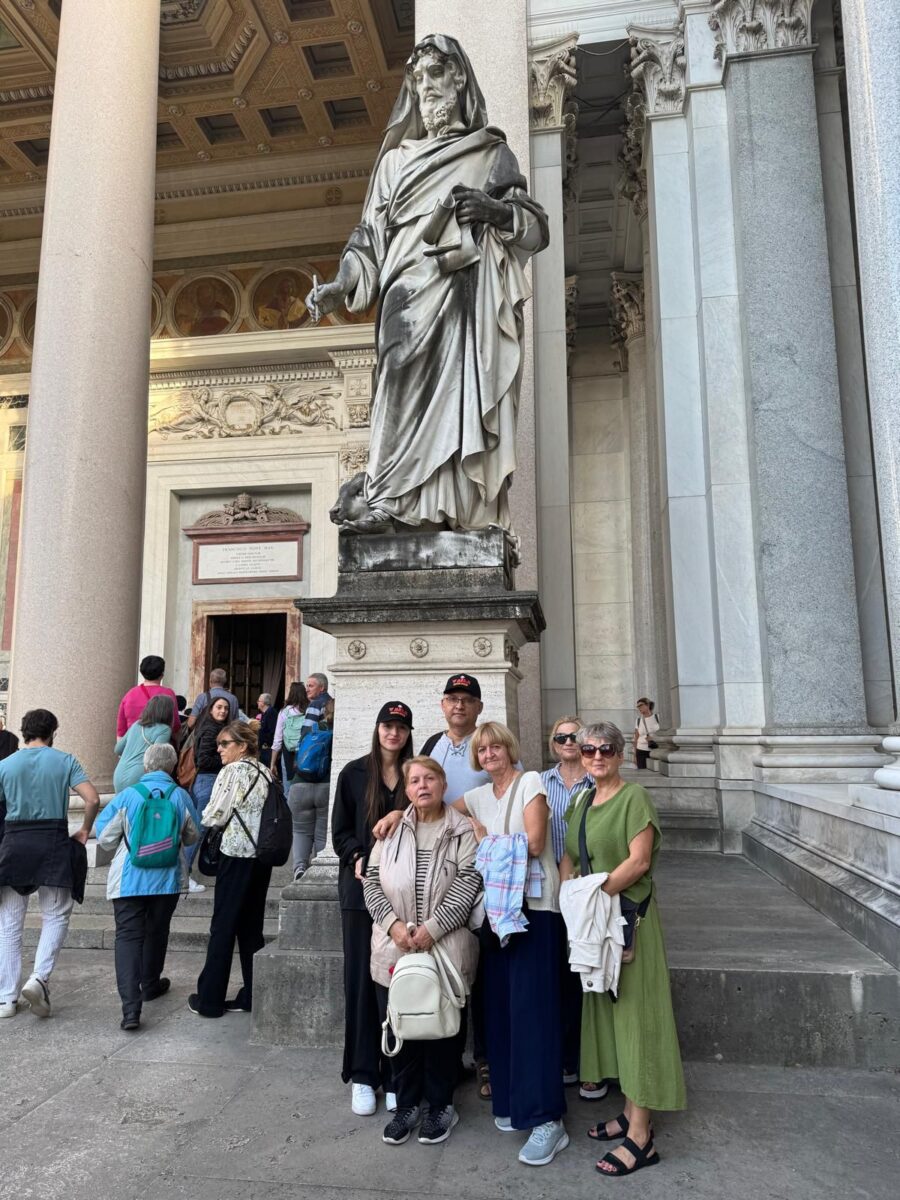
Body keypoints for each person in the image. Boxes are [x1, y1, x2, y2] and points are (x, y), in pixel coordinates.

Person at [308, 35, 548, 533]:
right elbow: (368, 237)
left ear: (459, 78)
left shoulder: (491, 153)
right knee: (396, 379)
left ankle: (454, 511)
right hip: (404, 294)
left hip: (463, 297)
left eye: (435, 74)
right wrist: (340, 283)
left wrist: (495, 210)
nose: (426, 87)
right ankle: (393, 500)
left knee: (463, 394)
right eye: (418, 79)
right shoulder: (396, 161)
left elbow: (535, 227)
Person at [560, 722, 685, 1177]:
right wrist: (572, 897)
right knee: (613, 1019)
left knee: (638, 1021)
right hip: (597, 927)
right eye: (588, 749)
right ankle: (631, 1113)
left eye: (606, 749)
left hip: (631, 923)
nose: (596, 756)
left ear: (620, 754)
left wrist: (591, 897)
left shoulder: (635, 798)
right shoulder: (581, 802)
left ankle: (641, 1137)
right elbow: (570, 857)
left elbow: (639, 862)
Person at [456, 721, 567, 1165]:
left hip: (534, 912)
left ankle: (547, 1119)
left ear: (509, 748)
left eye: (496, 747)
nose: (489, 754)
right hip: (495, 915)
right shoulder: (478, 796)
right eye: (482, 750)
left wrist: (485, 842)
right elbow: (434, 806)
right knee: (500, 1011)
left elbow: (535, 842)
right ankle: (510, 1100)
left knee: (534, 1013)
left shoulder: (531, 782)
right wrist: (395, 815)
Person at [363, 755, 481, 1146]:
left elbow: (469, 881)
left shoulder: (461, 830)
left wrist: (433, 928)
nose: (423, 786)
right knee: (402, 1026)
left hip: (445, 947)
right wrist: (394, 926)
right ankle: (407, 1104)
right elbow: (371, 882)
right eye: (414, 780)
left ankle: (441, 1105)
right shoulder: (390, 829)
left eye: (430, 778)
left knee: (443, 1030)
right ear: (407, 789)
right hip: (395, 946)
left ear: (443, 784)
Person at [331, 702, 414, 1116]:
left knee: (398, 982)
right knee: (361, 982)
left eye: (400, 727)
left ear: (408, 732)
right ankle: (363, 1073)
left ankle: (397, 1074)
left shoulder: (415, 776)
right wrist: (356, 854)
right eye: (387, 725)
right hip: (359, 890)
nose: (393, 733)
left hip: (404, 896)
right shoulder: (352, 773)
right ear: (377, 728)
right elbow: (340, 832)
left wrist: (402, 810)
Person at [0, 709, 100, 1019]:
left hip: (14, 842)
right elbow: (93, 799)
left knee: (9, 924)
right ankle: (39, 978)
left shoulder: (5, 765)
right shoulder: (65, 760)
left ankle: (6, 998)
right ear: (53, 731)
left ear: (24, 731)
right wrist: (85, 829)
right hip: (52, 841)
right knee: (56, 914)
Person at [94, 743, 200, 1030]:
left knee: (128, 938)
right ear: (173, 767)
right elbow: (193, 836)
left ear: (146, 765)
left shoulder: (128, 795)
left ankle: (131, 1010)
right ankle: (150, 983)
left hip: (129, 879)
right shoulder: (180, 796)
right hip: (167, 880)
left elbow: (104, 837)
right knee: (157, 931)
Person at [189, 721, 275, 1018]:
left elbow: (214, 814)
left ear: (242, 746)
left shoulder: (232, 771)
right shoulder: (266, 772)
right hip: (260, 857)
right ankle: (253, 994)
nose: (219, 749)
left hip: (236, 853)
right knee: (251, 928)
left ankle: (210, 1000)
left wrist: (206, 818)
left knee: (223, 926)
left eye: (225, 743)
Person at [540, 715, 599, 1098]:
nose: (568, 742)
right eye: (561, 737)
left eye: (574, 736)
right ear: (553, 743)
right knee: (560, 975)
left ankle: (591, 1059)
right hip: (552, 889)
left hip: (591, 888)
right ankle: (565, 1056)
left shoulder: (598, 781)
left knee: (589, 973)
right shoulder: (540, 782)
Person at [285, 673, 334, 879]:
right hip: (325, 785)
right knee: (322, 830)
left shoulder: (314, 715)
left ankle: (299, 868)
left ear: (322, 687)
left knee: (300, 830)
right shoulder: (338, 732)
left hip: (301, 783)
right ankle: (318, 871)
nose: (307, 689)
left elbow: (302, 740)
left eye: (311, 685)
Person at [112, 694, 176, 793]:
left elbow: (118, 749)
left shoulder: (136, 724)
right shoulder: (164, 729)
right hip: (140, 776)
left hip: (119, 774)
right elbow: (158, 759)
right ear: (168, 712)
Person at [116, 655, 181, 738]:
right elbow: (175, 726)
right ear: (162, 674)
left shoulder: (130, 694)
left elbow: (121, 729)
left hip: (134, 742)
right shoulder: (168, 693)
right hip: (159, 742)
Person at [270, 680, 308, 789]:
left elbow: (277, 740)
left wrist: (272, 763)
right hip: (305, 751)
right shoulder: (308, 710)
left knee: (288, 787)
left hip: (288, 753)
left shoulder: (284, 712)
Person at [632, 699, 660, 771]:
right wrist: (634, 756)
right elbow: (636, 738)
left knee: (656, 772)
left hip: (656, 749)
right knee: (642, 772)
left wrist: (654, 738)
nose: (639, 708)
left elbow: (665, 734)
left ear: (648, 705)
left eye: (641, 705)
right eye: (638, 706)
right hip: (641, 750)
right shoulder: (638, 720)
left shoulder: (657, 717)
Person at [256, 693, 278, 767]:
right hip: (264, 749)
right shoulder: (265, 713)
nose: (257, 703)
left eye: (258, 701)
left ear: (263, 703)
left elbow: (272, 731)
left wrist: (265, 743)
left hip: (268, 749)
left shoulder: (271, 713)